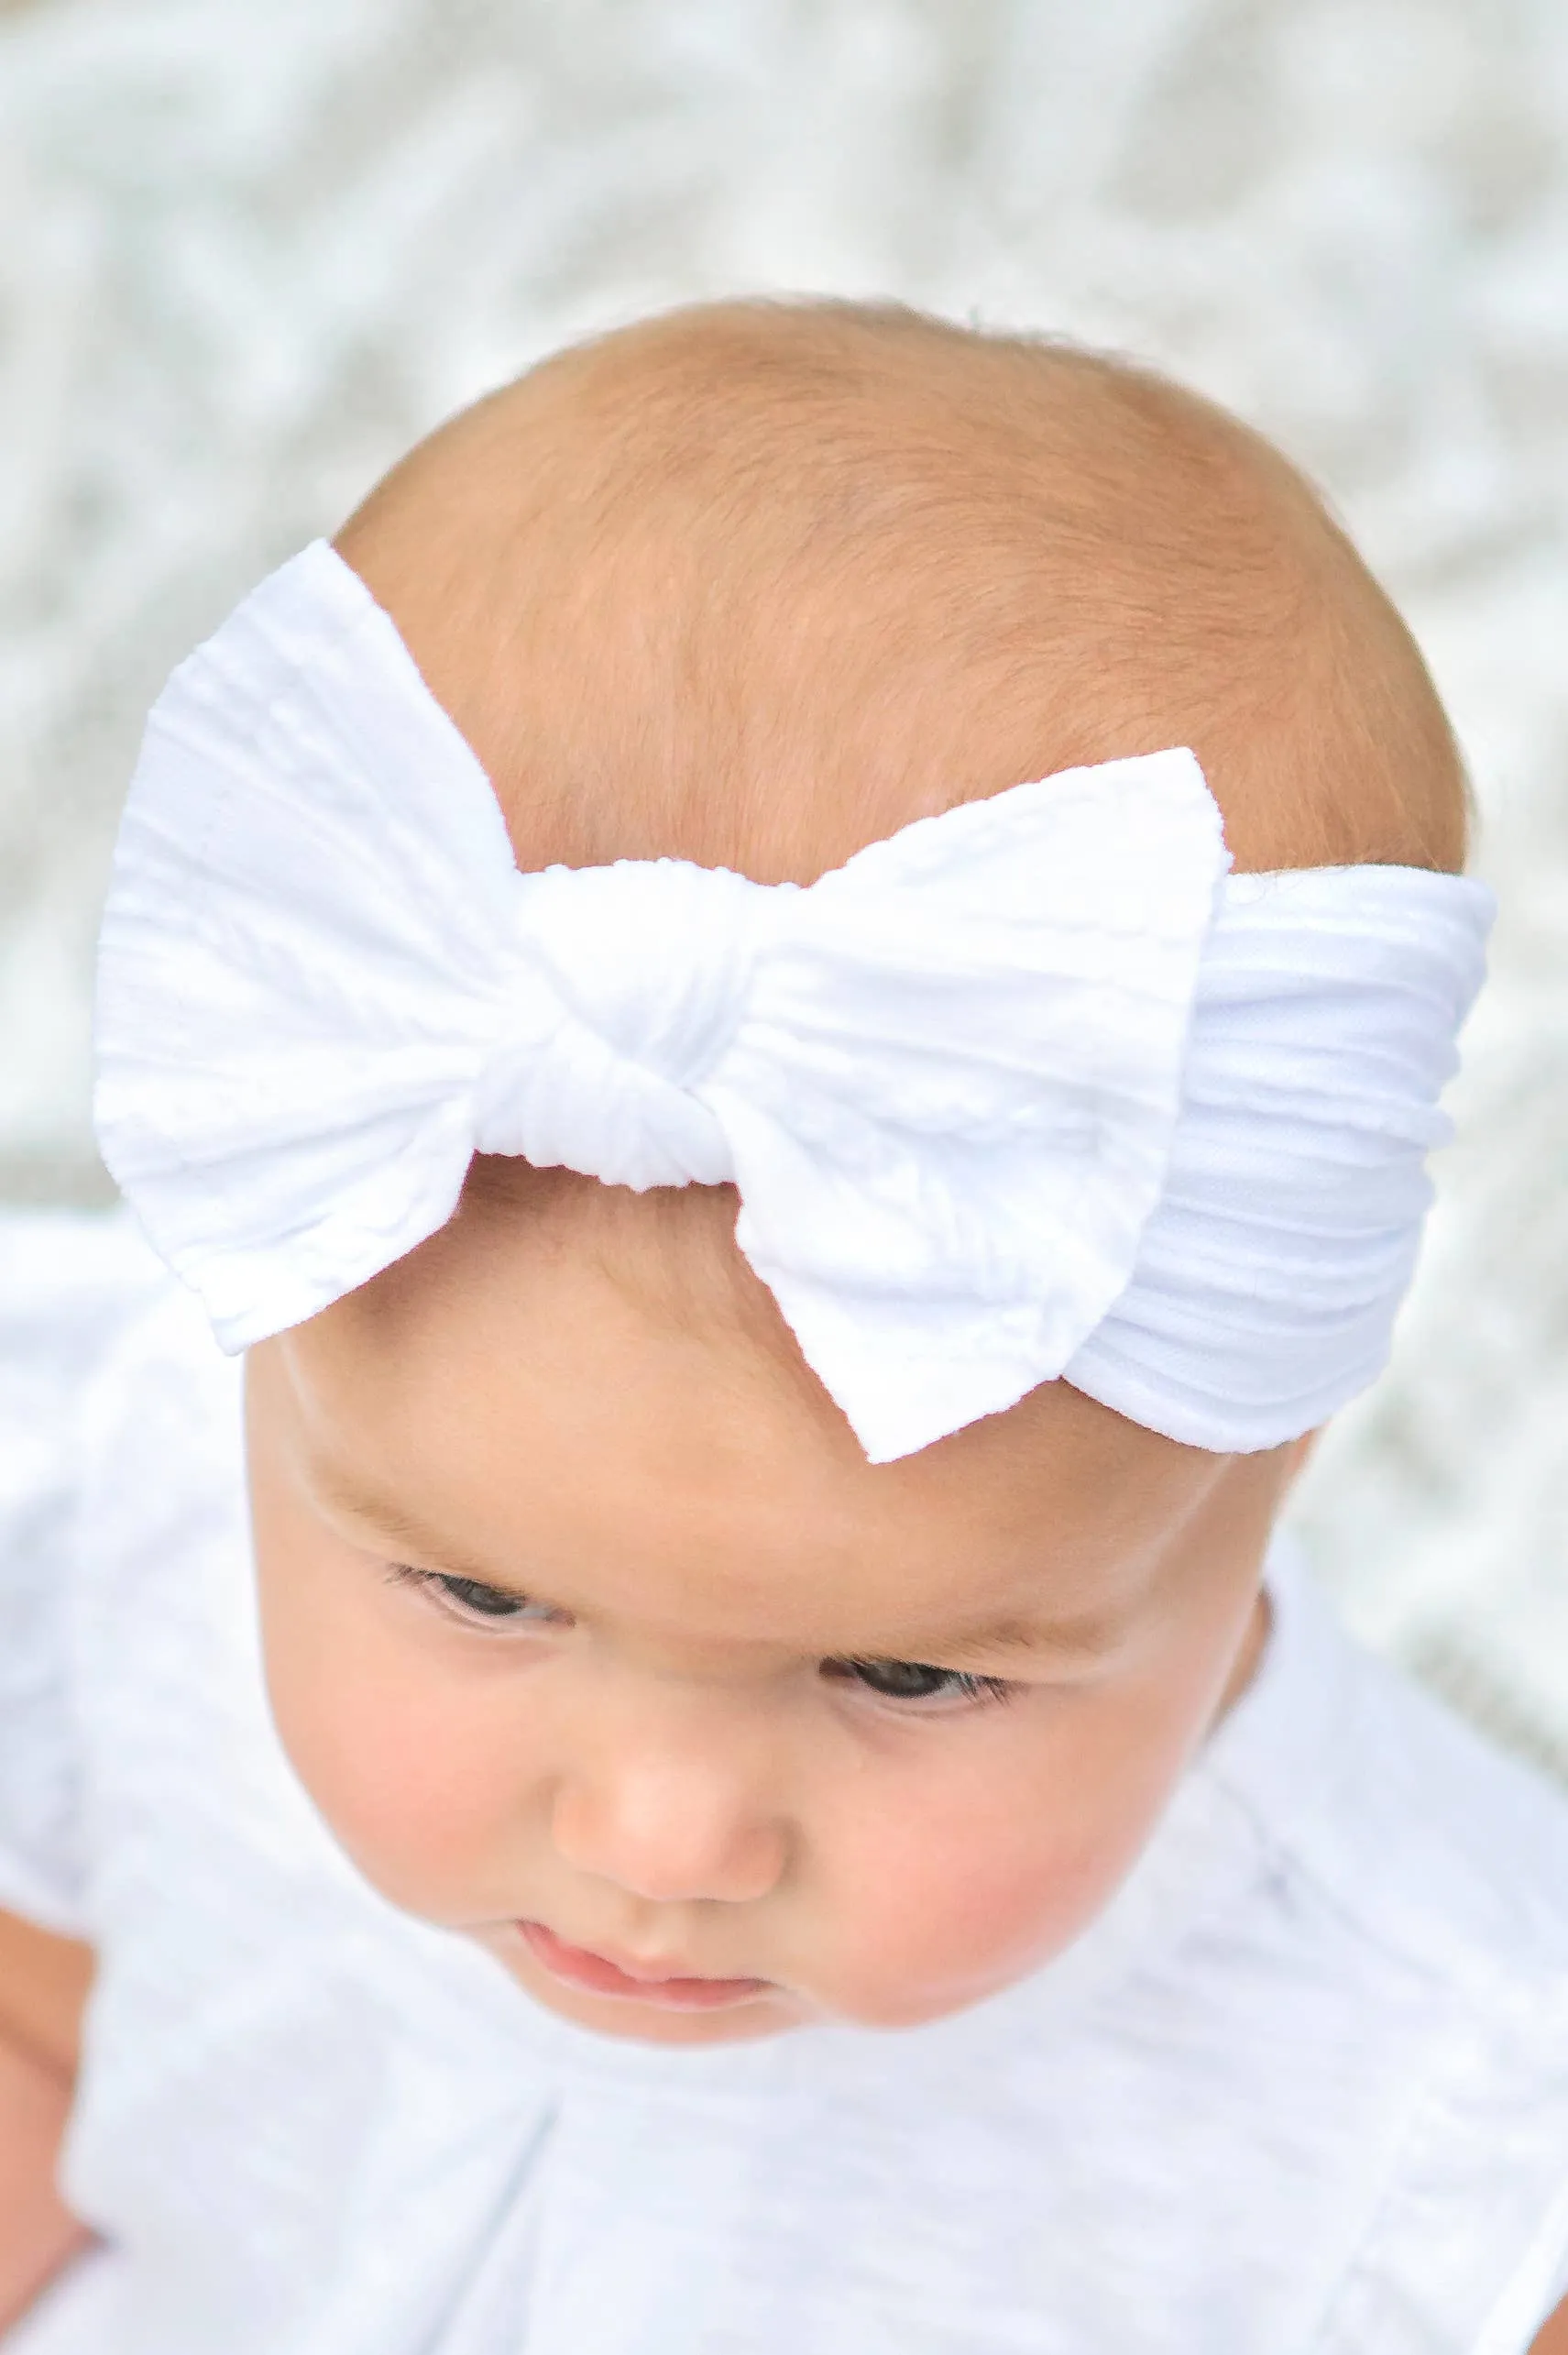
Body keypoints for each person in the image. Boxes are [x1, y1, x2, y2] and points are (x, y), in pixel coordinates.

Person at [2, 298, 1566, 2352]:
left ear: (1271, 1458)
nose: (659, 1838)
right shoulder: (114, 1486)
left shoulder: (1451, 2112)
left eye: (910, 1672)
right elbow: (47, 2008)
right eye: (480, 1598)